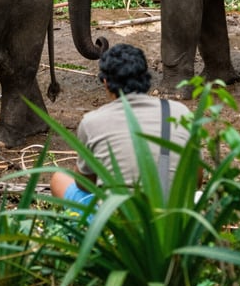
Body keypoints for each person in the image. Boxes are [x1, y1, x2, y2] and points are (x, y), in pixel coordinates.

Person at [51, 43, 192, 206]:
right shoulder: (179, 112)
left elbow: (84, 184)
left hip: (117, 220)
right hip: (170, 218)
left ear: (105, 82)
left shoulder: (92, 122)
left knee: (59, 178)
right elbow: (195, 180)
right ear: (146, 78)